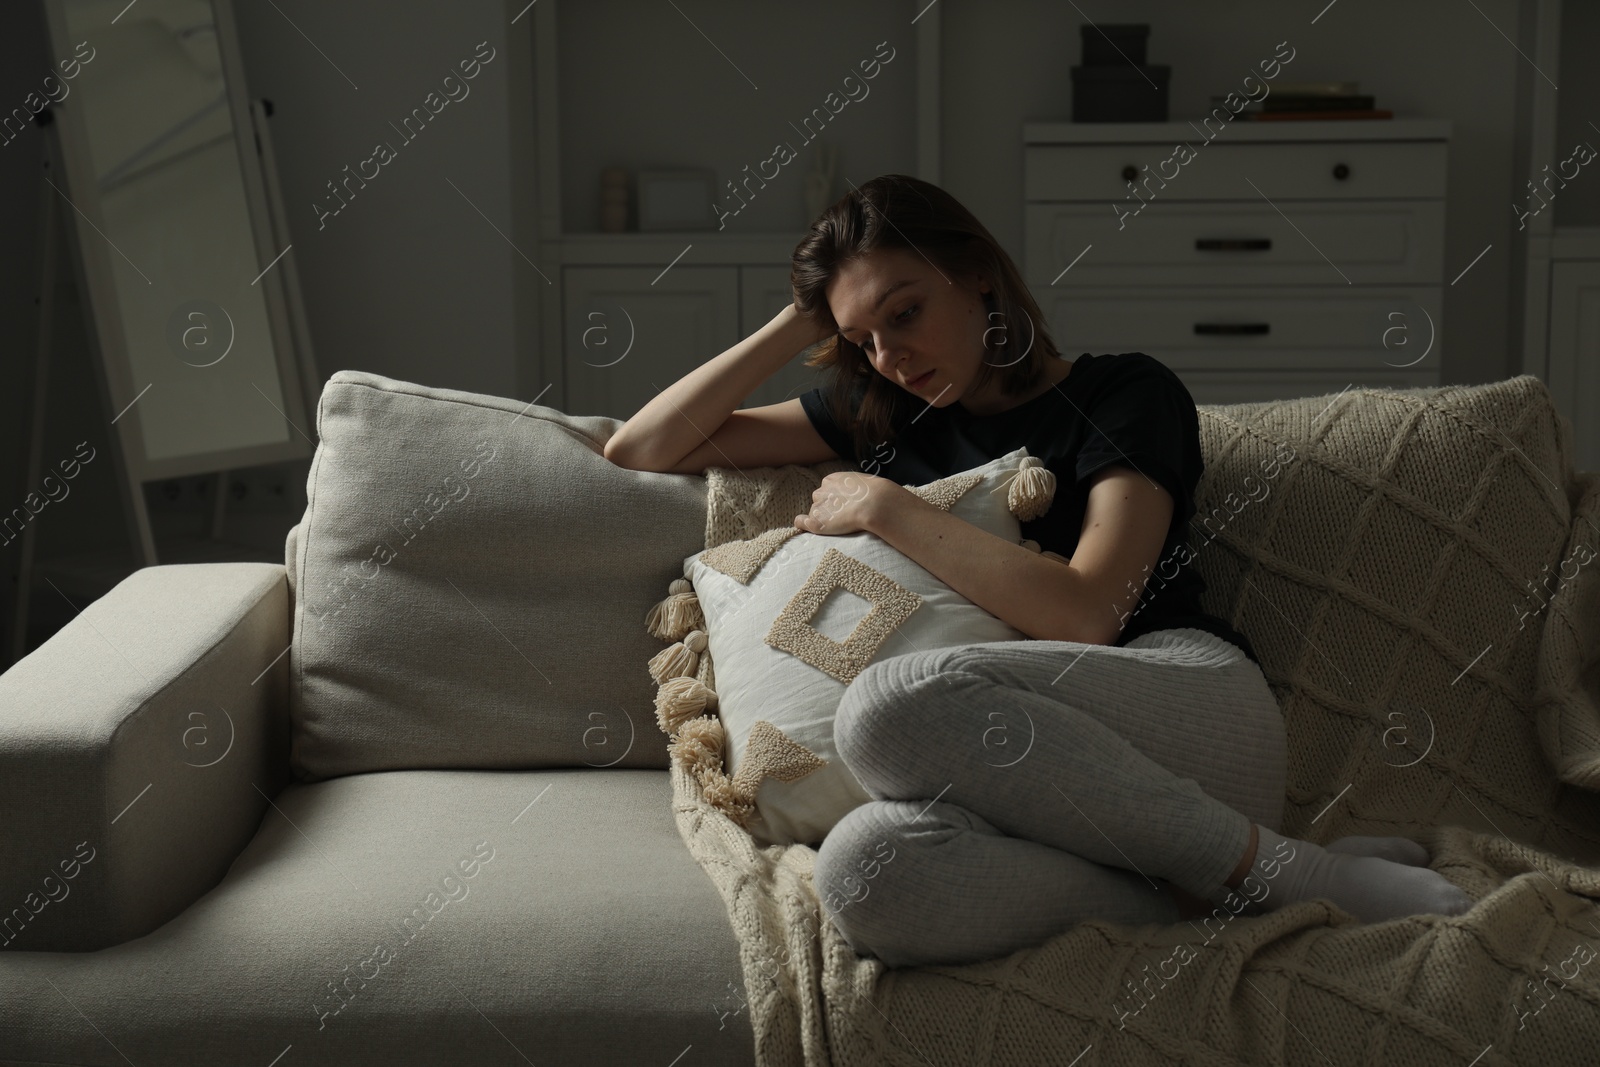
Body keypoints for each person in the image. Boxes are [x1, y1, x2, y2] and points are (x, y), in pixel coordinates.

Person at [604, 173, 1472, 968]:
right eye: (862, 338)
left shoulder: (1124, 393)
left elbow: (1092, 611)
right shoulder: (884, 410)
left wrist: (883, 506)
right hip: (1017, 776)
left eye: (904, 313)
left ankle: (1287, 867)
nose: (890, 356)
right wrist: (807, 314)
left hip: (1180, 705)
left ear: (979, 274)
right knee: (862, 873)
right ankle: (1206, 892)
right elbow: (643, 445)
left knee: (887, 701)